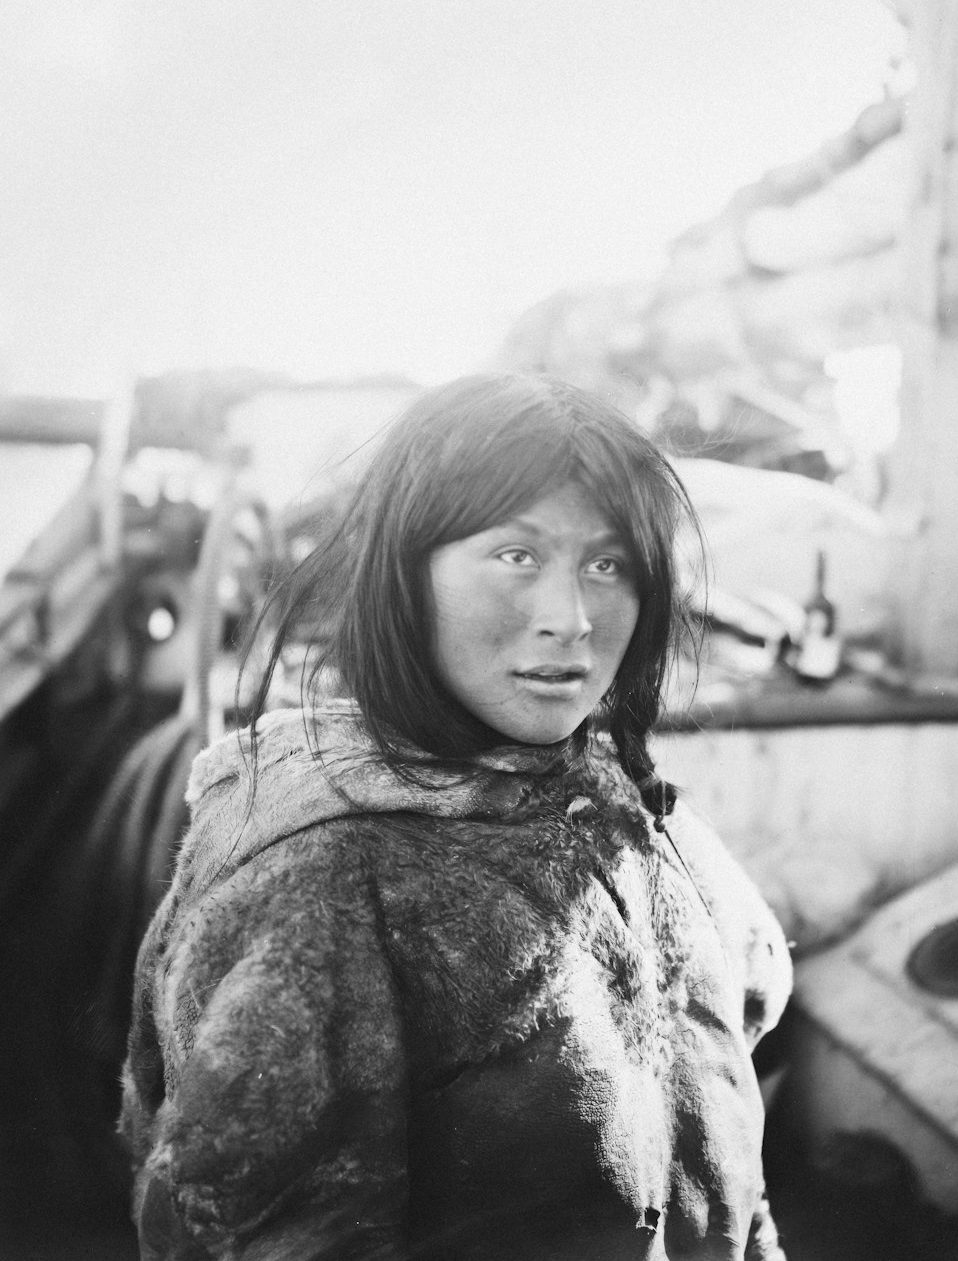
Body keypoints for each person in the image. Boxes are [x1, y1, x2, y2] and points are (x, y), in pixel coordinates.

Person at [120, 374, 792, 1260]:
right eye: (517, 555)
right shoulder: (329, 886)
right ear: (405, 575)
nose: (572, 619)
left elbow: (728, 1149)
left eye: (608, 563)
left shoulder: (633, 814)